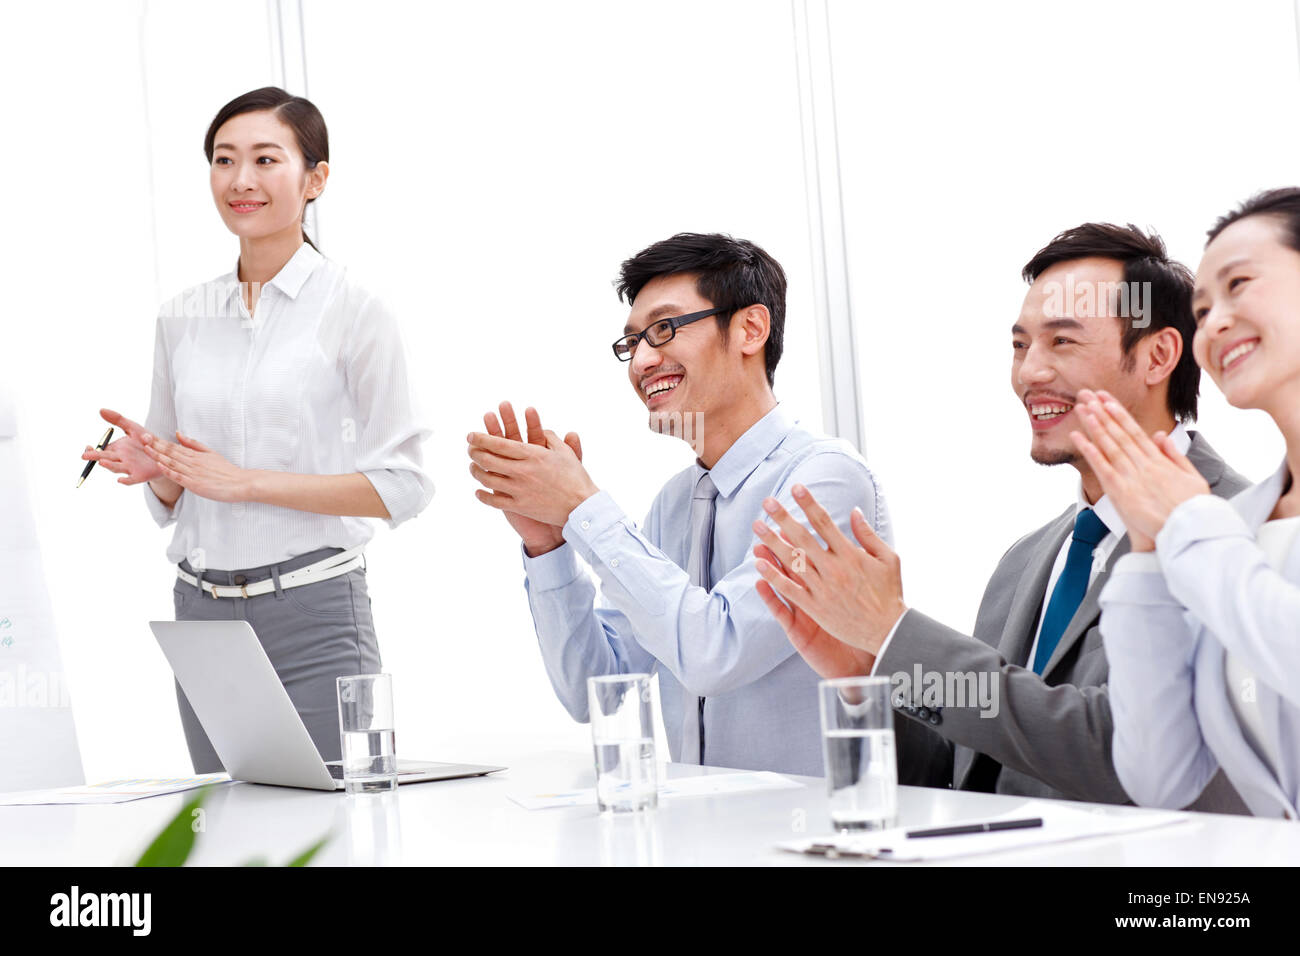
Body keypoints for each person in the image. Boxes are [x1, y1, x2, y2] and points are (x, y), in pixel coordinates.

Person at [750, 222, 1249, 811]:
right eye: (1019, 345)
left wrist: (896, 635)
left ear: (1158, 355)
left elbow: (1132, 753)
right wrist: (874, 675)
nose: (1028, 373)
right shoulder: (1028, 559)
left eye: (1062, 341)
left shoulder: (1238, 530)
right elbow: (962, 777)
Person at [465, 233, 917, 778]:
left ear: (750, 328)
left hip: (814, 839)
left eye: (663, 329)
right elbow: (596, 689)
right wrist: (549, 542)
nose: (642, 362)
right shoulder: (675, 502)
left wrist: (584, 507)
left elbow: (714, 652)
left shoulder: (824, 480)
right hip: (701, 838)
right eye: (632, 343)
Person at [83, 87, 433, 772]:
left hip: (315, 614)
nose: (241, 180)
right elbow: (178, 488)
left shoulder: (356, 311)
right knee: (231, 837)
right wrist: (159, 473)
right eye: (224, 160)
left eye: (266, 159)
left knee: (336, 835)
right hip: (203, 617)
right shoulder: (181, 315)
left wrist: (249, 483)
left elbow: (406, 486)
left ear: (316, 179)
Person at [1084, 188, 1300, 820]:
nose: (1215, 323)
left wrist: (1185, 524)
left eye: (1239, 284)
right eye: (1202, 311)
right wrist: (1148, 561)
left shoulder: (1208, 533)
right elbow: (1163, 778)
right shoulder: (1233, 528)